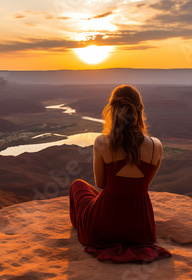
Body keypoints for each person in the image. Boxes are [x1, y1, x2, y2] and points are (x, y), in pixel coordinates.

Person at [69, 85, 172, 264]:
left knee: (78, 185)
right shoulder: (156, 145)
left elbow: (100, 183)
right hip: (141, 229)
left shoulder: (102, 142)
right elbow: (143, 185)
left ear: (113, 109)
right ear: (140, 111)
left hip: (103, 228)